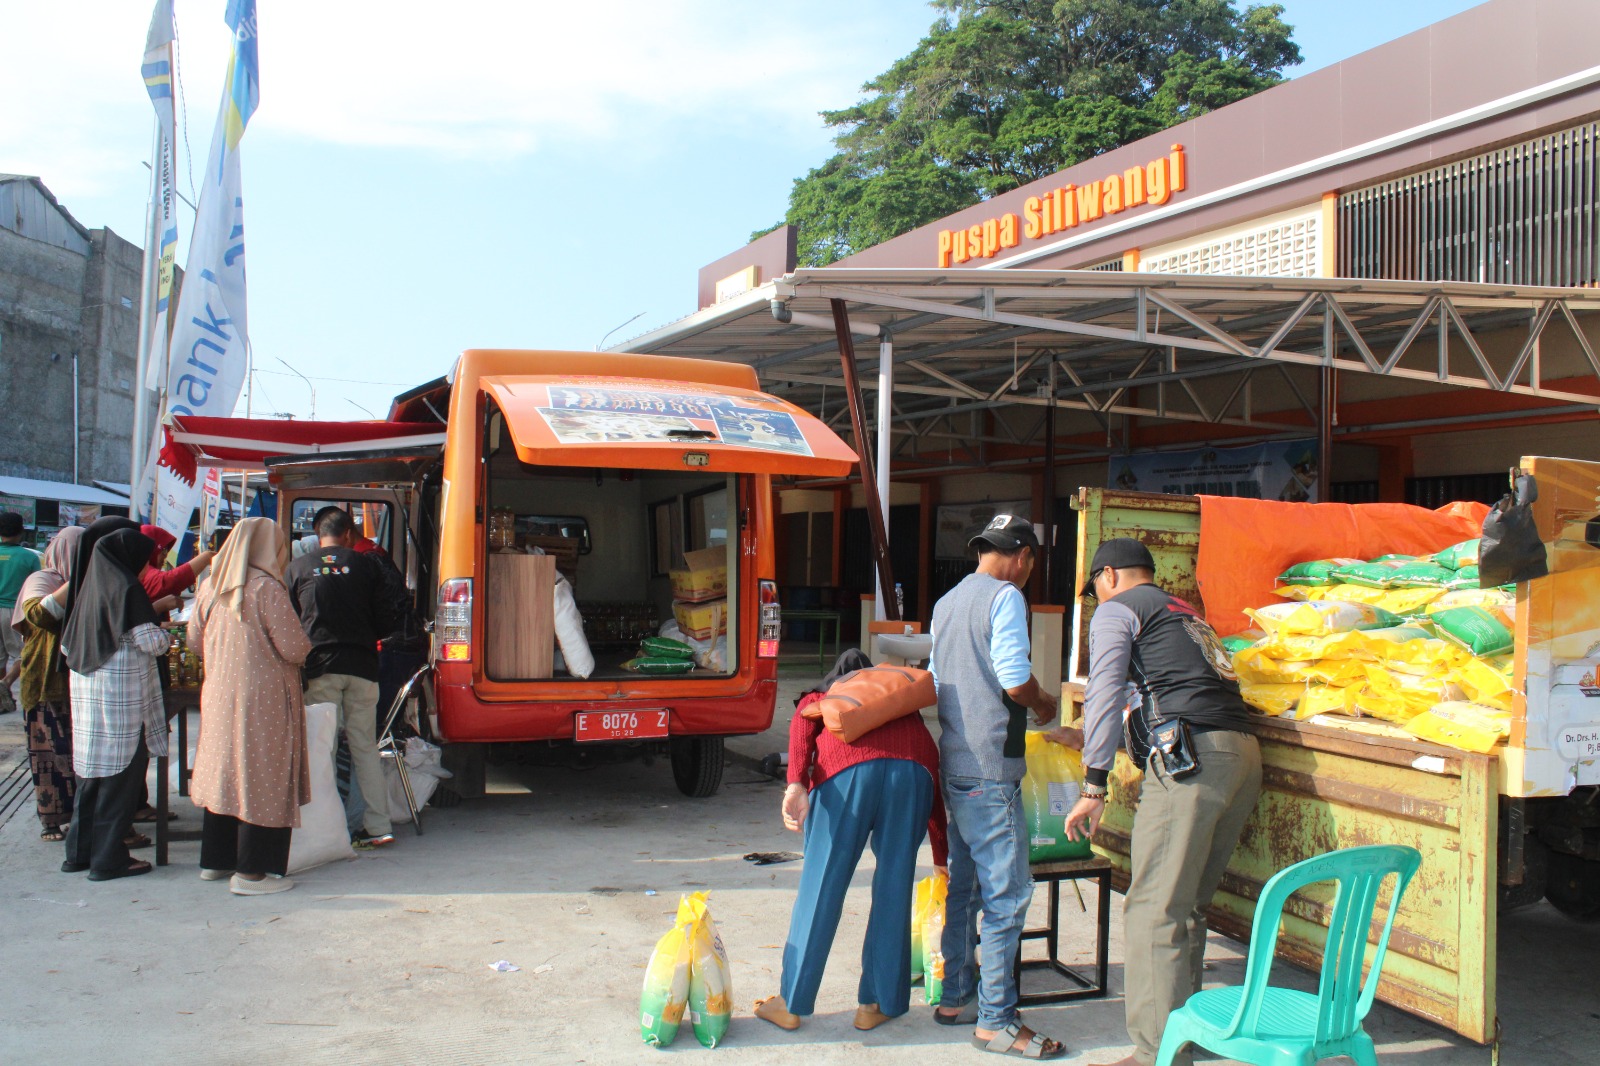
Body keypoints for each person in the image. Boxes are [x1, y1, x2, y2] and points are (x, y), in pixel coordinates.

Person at [1059, 537, 1262, 1066]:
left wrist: (1093, 785)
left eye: (1096, 588)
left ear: (1107, 577)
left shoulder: (1117, 610)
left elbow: (1103, 691)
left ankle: (1157, 1053)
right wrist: (1088, 738)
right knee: (1186, 907)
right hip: (1240, 756)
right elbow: (1156, 696)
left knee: (1152, 908)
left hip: (1191, 762)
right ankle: (1185, 1037)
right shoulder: (1183, 612)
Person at [927, 514, 1065, 1060]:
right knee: (1007, 898)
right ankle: (997, 1022)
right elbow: (1012, 677)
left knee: (966, 888)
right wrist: (1044, 703)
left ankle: (954, 996)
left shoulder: (947, 601)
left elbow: (939, 679)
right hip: (990, 769)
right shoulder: (1006, 597)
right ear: (1023, 556)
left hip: (955, 761)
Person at [754, 649, 949, 1033]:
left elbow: (802, 725)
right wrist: (941, 854)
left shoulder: (827, 695)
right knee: (894, 886)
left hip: (847, 774)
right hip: (913, 776)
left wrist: (796, 782)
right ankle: (878, 1003)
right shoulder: (901, 707)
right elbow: (933, 775)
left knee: (822, 883)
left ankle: (792, 1003)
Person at [188, 517, 313, 895]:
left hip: (219, 694)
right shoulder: (266, 590)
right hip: (264, 700)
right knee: (261, 775)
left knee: (224, 772)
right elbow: (295, 647)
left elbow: (195, 641)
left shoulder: (210, 586)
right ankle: (251, 873)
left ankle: (215, 860)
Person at [284, 507, 402, 848]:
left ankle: (325, 831)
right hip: (363, 667)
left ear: (316, 535)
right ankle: (379, 827)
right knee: (365, 746)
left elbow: (290, 623)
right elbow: (387, 616)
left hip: (320, 668)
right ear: (350, 533)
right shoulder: (367, 565)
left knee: (323, 749)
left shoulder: (298, 568)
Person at [59, 528, 170, 881]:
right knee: (121, 780)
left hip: (89, 699)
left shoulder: (88, 588)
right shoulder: (126, 589)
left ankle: (78, 853)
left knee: (92, 777)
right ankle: (108, 859)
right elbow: (151, 642)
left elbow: (66, 647)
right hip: (121, 701)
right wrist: (165, 632)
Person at [10, 527, 82, 841]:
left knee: (74, 754)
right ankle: (51, 821)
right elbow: (39, 614)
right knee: (47, 754)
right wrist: (76, 580)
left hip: (75, 679)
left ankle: (78, 816)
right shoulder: (43, 579)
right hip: (44, 680)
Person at [0, 510, 42, 713]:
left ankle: (2, 696)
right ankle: (6, 684)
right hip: (15, 611)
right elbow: (37, 587)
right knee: (22, 654)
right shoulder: (29, 557)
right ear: (21, 532)